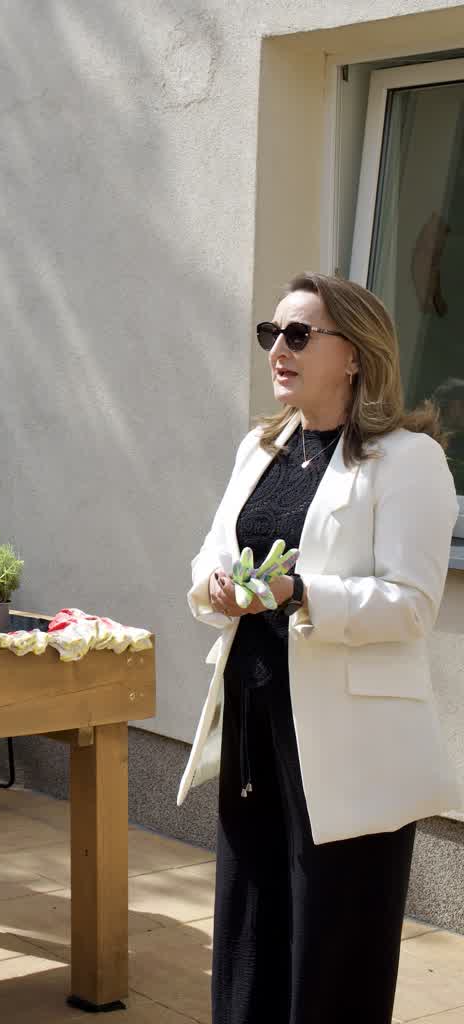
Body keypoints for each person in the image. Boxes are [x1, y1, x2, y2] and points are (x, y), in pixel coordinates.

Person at [180, 272, 464, 1024]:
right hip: (253, 718)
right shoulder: (260, 448)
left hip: (350, 743)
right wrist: (216, 587)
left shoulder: (407, 459)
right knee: (251, 928)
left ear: (355, 354)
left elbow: (412, 604)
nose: (279, 348)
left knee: (335, 944)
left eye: (299, 334)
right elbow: (211, 554)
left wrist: (302, 592)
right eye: (271, 333)